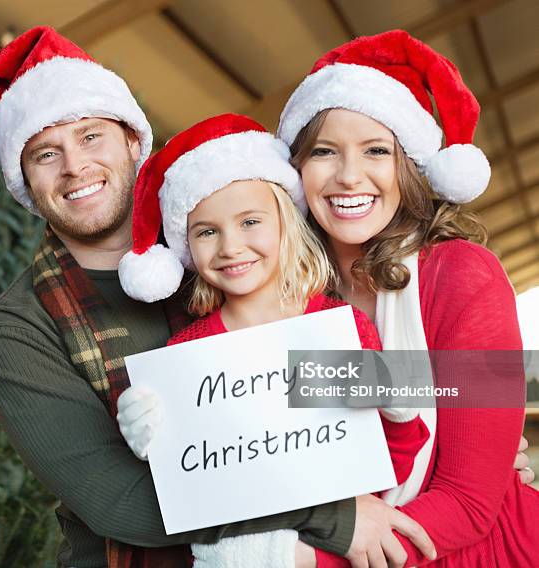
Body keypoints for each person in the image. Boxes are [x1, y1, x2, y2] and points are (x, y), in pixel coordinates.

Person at [0, 26, 436, 568]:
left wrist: (480, 434)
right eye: (44, 154)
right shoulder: (20, 329)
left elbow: (382, 364)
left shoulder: (229, 253)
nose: (74, 167)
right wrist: (330, 518)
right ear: (24, 179)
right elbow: (117, 500)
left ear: (133, 141)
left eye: (91, 137)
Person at [115, 112, 431, 567]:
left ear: (286, 223)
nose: (230, 247)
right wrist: (153, 445)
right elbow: (200, 489)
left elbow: (390, 469)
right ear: (186, 247)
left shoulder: (340, 327)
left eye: (249, 222)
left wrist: (398, 415)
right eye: (207, 232)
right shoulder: (185, 357)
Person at [276, 29, 539, 566]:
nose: (350, 176)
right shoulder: (283, 295)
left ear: (411, 170)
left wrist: (297, 559)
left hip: (471, 549)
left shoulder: (464, 275)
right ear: (297, 171)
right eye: (324, 151)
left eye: (378, 151)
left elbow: (468, 501)